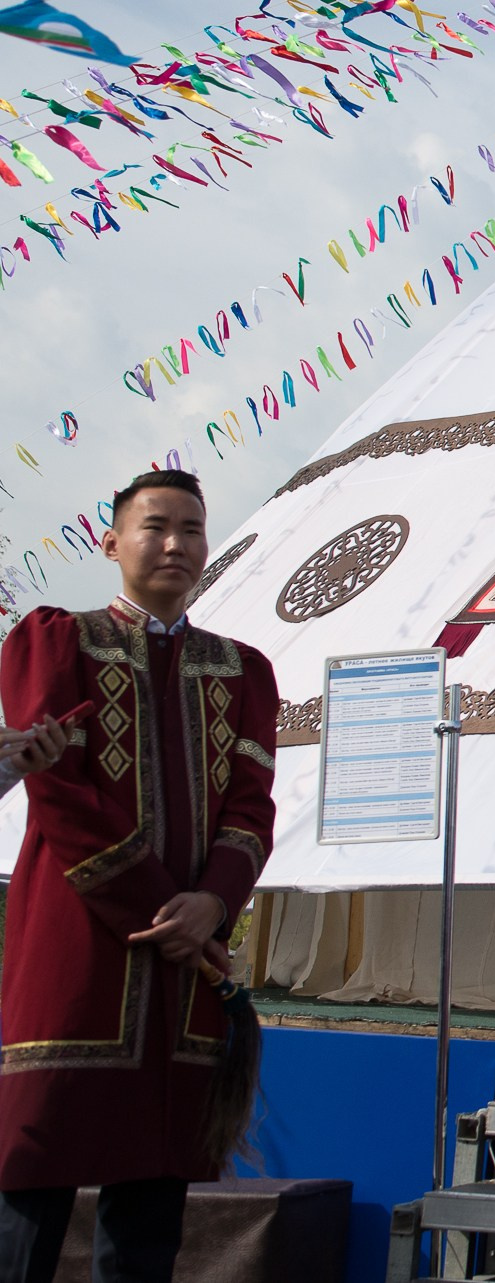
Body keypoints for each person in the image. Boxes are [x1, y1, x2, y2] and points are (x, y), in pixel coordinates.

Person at [0, 469, 280, 1283]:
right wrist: (174, 912)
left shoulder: (240, 670)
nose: (175, 544)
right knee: (32, 1177)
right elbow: (60, 793)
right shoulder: (57, 641)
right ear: (112, 540)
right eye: (156, 526)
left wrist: (215, 901)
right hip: (76, 946)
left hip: (184, 970)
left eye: (192, 529)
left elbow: (251, 808)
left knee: (153, 1200)